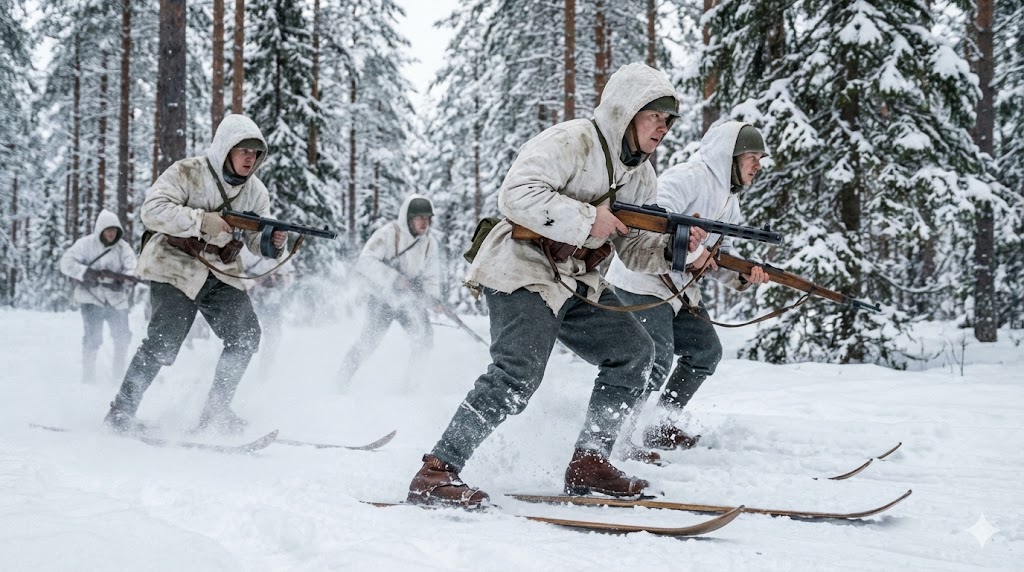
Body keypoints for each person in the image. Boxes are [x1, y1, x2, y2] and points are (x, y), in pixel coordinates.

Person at [405, 62, 706, 507]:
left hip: (577, 281)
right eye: (654, 115)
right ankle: (436, 471)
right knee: (517, 375)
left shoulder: (641, 175)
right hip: (521, 269)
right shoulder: (573, 140)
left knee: (635, 354)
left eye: (667, 119)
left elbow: (635, 251)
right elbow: (517, 194)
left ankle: (590, 461)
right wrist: (589, 217)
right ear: (626, 112)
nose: (662, 127)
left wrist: (678, 247)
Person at [102, 114, 287, 435]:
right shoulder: (188, 171)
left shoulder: (256, 191)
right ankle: (121, 412)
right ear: (226, 148)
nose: (249, 158)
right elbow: (153, 210)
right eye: (243, 150)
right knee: (163, 343)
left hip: (220, 271)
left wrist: (272, 241)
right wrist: (201, 220)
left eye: (255, 153)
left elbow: (257, 238)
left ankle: (215, 411)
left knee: (246, 336)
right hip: (174, 264)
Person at [606, 121, 771, 459]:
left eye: (759, 158)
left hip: (677, 291)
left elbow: (713, 258)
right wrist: (694, 254)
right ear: (730, 156)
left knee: (705, 352)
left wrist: (742, 275)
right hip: (643, 279)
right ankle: (619, 436)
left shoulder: (730, 201)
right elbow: (652, 218)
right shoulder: (689, 177)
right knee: (655, 359)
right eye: (752, 157)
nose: (758, 165)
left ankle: (660, 423)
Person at [337, 194, 441, 389]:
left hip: (409, 300)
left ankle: (410, 386)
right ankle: (341, 381)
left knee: (424, 339)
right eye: (420, 217)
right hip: (381, 298)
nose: (424, 222)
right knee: (367, 343)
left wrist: (433, 298)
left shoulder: (429, 243)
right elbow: (365, 262)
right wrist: (394, 278)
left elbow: (431, 276)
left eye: (427, 218)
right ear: (409, 218)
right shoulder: (388, 234)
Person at [59, 209, 138, 384]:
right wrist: (85, 273)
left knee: (122, 337)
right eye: (108, 230)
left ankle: (118, 376)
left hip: (116, 299)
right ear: (100, 230)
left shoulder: (123, 248)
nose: (111, 233)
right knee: (92, 338)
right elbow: (66, 263)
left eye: (114, 230)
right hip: (91, 298)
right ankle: (88, 378)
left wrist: (123, 280)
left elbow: (132, 267)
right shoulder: (84, 244)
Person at [240, 246, 295, 375]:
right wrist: (251, 282)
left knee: (274, 336)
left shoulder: (278, 242)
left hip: (271, 298)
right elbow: (232, 270)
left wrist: (279, 279)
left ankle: (265, 371)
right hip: (247, 296)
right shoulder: (244, 244)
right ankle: (237, 369)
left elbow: (288, 272)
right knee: (243, 336)